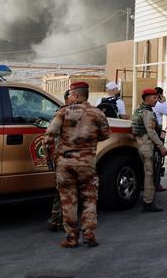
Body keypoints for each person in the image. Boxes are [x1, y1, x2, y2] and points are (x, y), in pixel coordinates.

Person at [45, 81, 110, 247]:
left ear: (74, 95)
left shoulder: (63, 112)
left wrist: (50, 156)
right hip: (87, 164)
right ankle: (89, 232)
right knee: (89, 198)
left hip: (65, 165)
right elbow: (106, 134)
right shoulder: (97, 113)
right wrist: (88, 140)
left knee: (68, 200)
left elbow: (49, 134)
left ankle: (71, 238)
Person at [132, 88, 167, 212]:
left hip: (141, 145)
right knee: (150, 176)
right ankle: (148, 202)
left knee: (148, 174)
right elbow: (151, 132)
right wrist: (161, 147)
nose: (156, 100)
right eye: (154, 98)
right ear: (147, 98)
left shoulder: (138, 110)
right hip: (148, 147)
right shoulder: (147, 113)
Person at [47, 88, 73, 232]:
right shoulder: (65, 114)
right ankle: (65, 223)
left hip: (60, 158)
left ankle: (54, 220)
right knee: (68, 192)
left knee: (60, 191)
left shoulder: (59, 113)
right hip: (66, 158)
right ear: (68, 99)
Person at [152, 87, 167, 191]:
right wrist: (164, 102)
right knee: (158, 157)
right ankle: (157, 183)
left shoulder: (147, 104)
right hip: (158, 130)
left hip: (149, 131)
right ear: (160, 95)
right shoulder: (159, 104)